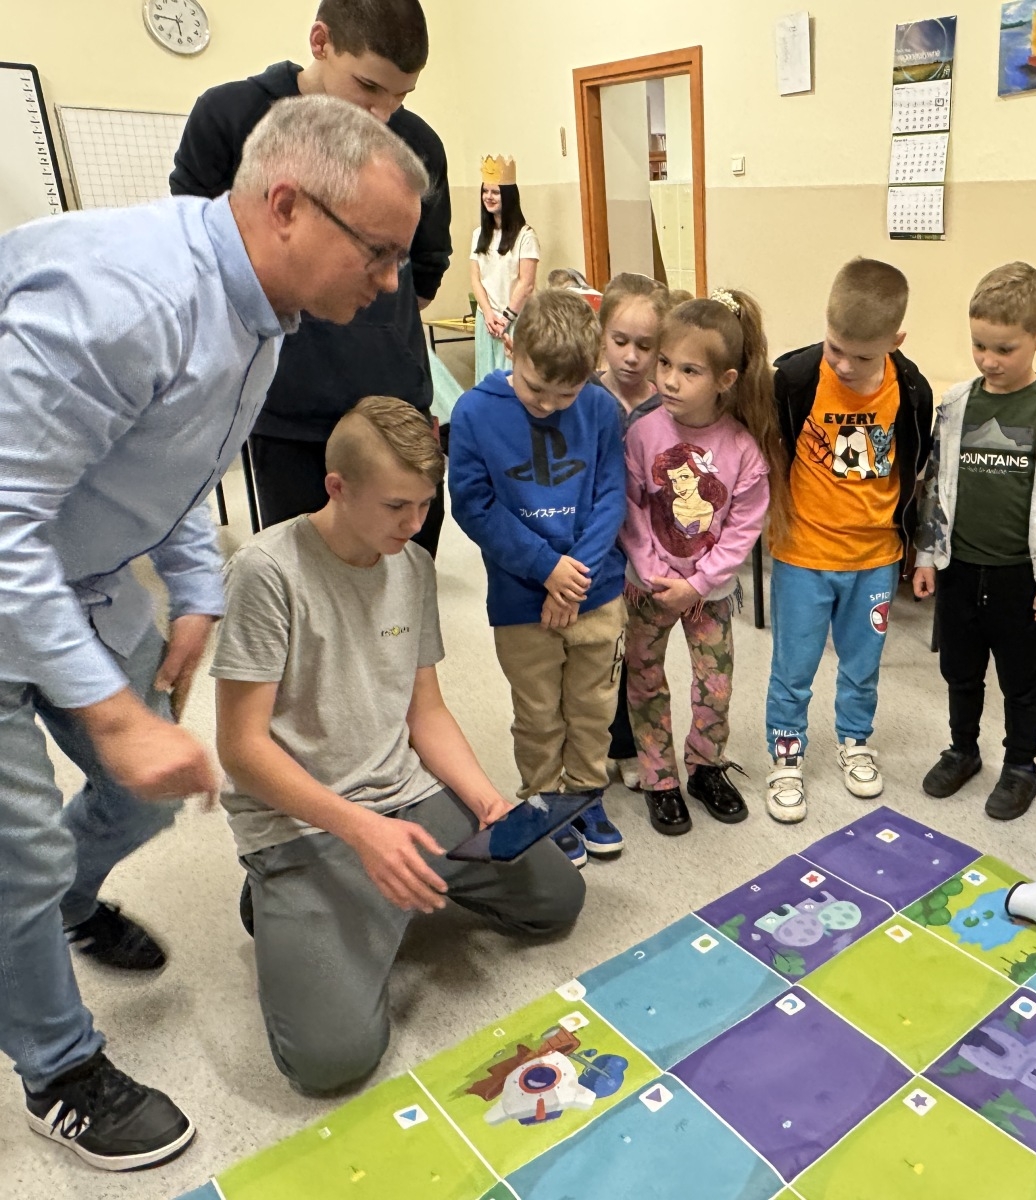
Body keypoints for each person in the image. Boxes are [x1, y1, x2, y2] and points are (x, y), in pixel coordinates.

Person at [0, 94, 428, 1172]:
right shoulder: (124, 300)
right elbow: (4, 517)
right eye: (378, 253)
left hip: (82, 575)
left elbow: (178, 461)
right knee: (18, 851)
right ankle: (59, 1069)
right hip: (11, 564)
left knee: (145, 796)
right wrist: (110, 711)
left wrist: (195, 590)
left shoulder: (261, 317)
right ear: (287, 206)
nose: (390, 283)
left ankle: (65, 908)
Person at [213, 397, 584, 1092]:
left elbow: (426, 710)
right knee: (332, 1061)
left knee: (557, 899)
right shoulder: (266, 571)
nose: (414, 523)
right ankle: (284, 894)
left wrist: (487, 801)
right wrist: (363, 832)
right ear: (337, 487)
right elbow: (240, 749)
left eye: (424, 505)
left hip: (402, 795)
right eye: (395, 506)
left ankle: (350, 905)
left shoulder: (411, 565)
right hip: (303, 819)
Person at [171, 0, 452, 557]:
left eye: (401, 96)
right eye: (368, 87)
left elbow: (424, 273)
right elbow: (199, 254)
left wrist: (368, 323)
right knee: (303, 582)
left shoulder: (418, 142)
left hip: (397, 410)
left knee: (405, 576)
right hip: (288, 415)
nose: (382, 114)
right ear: (320, 42)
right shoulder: (231, 117)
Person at [449, 290, 628, 866]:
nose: (549, 406)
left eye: (565, 394)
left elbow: (611, 496)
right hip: (521, 598)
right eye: (535, 389)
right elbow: (473, 506)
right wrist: (545, 568)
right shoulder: (474, 412)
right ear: (512, 348)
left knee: (593, 706)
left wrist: (573, 580)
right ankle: (545, 800)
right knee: (538, 712)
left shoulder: (600, 408)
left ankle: (585, 794)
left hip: (596, 591)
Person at [913, 262, 1036, 820]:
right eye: (979, 345)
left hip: (1021, 576)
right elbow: (935, 485)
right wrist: (925, 554)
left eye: (1005, 349)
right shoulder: (956, 405)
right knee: (960, 671)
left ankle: (1021, 765)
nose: (989, 360)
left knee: (1021, 682)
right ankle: (962, 749)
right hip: (959, 566)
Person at [763, 258, 933, 821]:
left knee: (862, 665)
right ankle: (786, 753)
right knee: (794, 667)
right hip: (803, 554)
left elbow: (913, 469)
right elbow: (770, 453)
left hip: (875, 558)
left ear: (895, 341)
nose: (844, 364)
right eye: (836, 348)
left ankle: (855, 741)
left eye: (862, 357)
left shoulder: (912, 389)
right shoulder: (794, 379)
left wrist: (917, 546)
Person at [621, 290, 776, 834]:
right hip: (648, 587)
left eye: (689, 371)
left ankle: (706, 768)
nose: (668, 380)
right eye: (664, 363)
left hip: (708, 594)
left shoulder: (742, 450)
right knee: (644, 681)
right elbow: (630, 509)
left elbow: (744, 528)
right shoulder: (641, 434)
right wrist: (651, 570)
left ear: (724, 380)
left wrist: (700, 582)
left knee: (715, 686)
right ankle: (659, 778)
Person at [592, 272, 674, 790]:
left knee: (637, 654)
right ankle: (588, 743)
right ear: (602, 335)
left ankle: (626, 744)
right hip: (596, 548)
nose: (631, 357)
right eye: (620, 341)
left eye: (645, 346)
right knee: (595, 652)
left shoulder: (666, 404)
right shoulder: (582, 395)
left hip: (647, 552)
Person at [471, 154, 539, 381]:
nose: (488, 197)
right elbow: (476, 279)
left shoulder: (525, 236)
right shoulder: (478, 235)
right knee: (486, 379)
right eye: (485, 191)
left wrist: (506, 318)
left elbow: (526, 283)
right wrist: (488, 314)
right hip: (487, 320)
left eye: (495, 192)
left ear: (508, 196)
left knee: (514, 379)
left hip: (515, 319)